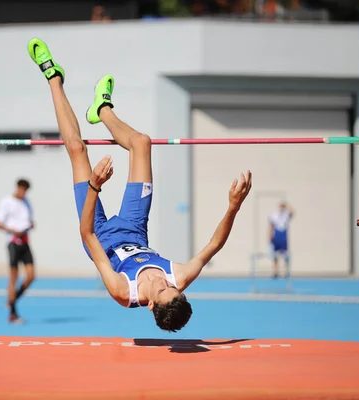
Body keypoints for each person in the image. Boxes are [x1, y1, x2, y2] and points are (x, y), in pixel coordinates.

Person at [27, 38, 252, 332]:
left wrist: (94, 186)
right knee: (141, 143)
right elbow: (214, 245)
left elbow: (87, 234)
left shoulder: (122, 290)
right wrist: (234, 206)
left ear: (149, 304)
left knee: (77, 150)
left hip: (98, 233)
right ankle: (102, 109)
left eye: (161, 289)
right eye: (171, 287)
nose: (163, 281)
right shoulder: (178, 277)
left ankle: (52, 76)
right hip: (134, 228)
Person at [0, 178, 36, 324]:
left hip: (25, 241)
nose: (23, 193)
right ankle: (13, 314)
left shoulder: (27, 202)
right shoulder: (7, 201)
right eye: (22, 189)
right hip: (13, 242)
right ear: (17, 188)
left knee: (31, 276)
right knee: (14, 277)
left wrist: (30, 225)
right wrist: (12, 230)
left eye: (26, 191)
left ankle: (12, 300)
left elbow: (29, 220)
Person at [268, 201, 294, 279]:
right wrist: (270, 236)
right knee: (275, 255)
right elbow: (271, 226)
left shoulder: (286, 214)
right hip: (277, 235)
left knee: (286, 255)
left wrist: (287, 206)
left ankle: (286, 271)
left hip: (283, 236)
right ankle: (275, 271)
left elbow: (293, 212)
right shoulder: (274, 215)